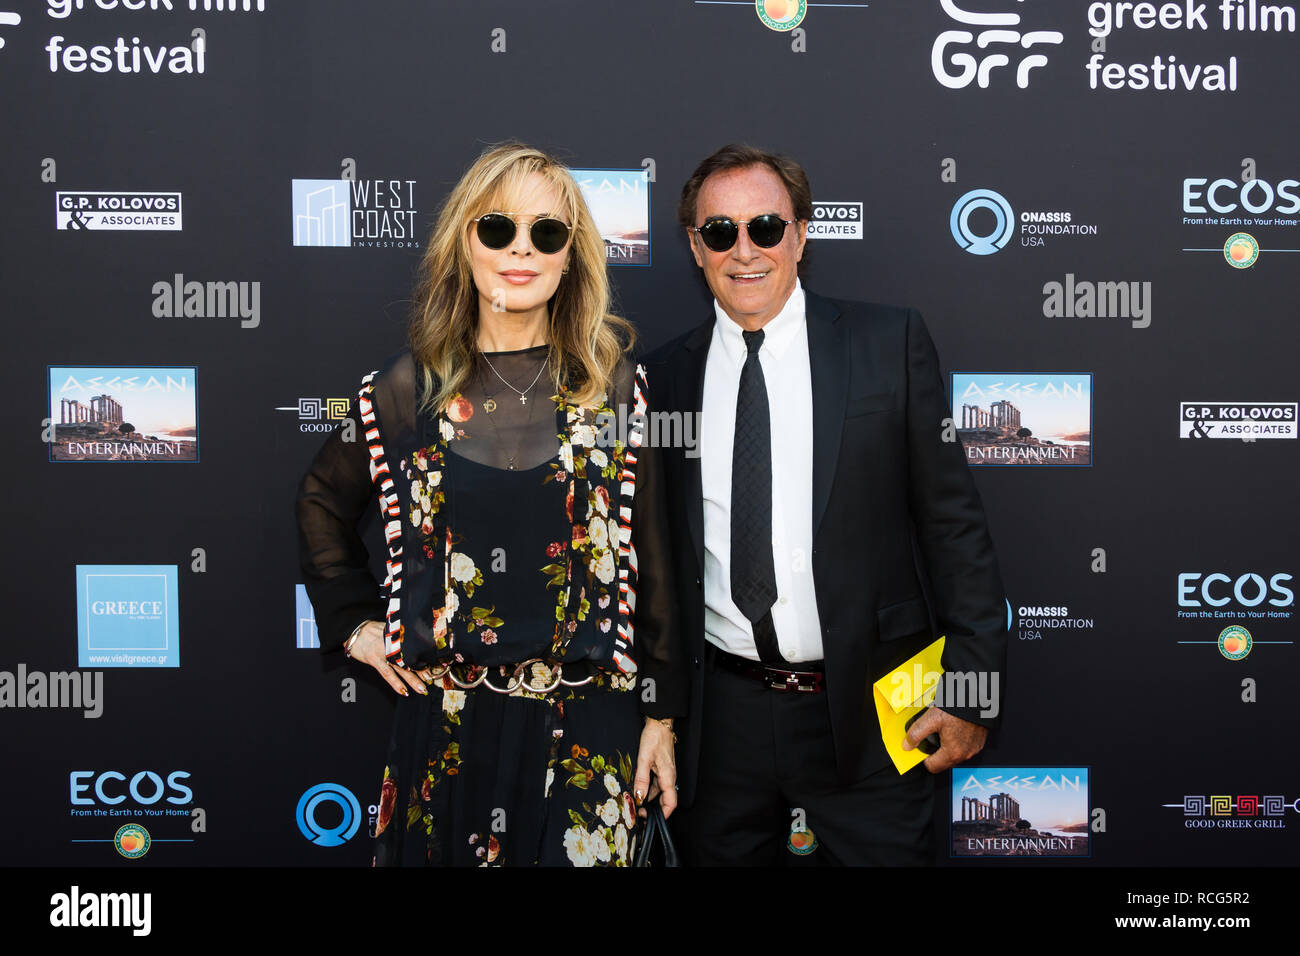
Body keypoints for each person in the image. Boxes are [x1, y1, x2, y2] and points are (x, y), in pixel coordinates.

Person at [295, 142, 683, 866]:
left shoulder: (617, 391)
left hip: (588, 730)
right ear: (463, 242)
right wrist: (354, 623)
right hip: (446, 727)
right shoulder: (406, 392)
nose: (522, 250)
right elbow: (320, 498)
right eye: (498, 228)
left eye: (547, 232)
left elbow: (653, 564)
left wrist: (660, 717)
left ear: (572, 255)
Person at [643, 143, 1007, 866]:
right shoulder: (662, 378)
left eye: (766, 228)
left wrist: (973, 689)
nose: (744, 251)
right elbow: (652, 558)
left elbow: (953, 529)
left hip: (876, 713)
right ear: (695, 245)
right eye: (720, 231)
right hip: (724, 721)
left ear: (801, 235)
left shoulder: (886, 344)